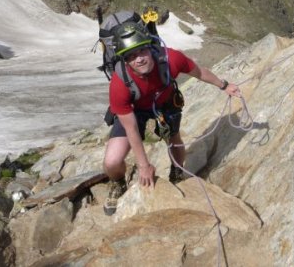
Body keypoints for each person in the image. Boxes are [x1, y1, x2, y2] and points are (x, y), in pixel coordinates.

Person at [102, 21, 241, 215]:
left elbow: (199, 72)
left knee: (174, 139)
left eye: (142, 51)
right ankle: (117, 183)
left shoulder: (171, 59)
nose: (139, 59)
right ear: (125, 60)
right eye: (131, 56)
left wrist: (223, 85)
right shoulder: (119, 83)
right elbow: (131, 128)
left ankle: (177, 173)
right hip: (135, 110)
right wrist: (144, 165)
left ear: (150, 47)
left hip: (164, 103)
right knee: (112, 161)